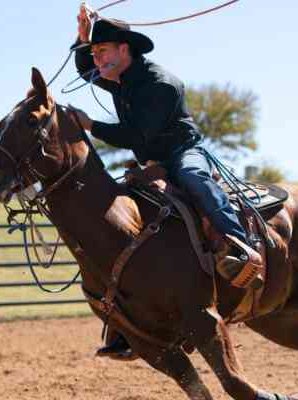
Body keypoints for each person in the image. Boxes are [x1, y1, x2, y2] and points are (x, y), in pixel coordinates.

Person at [70, 6, 263, 358]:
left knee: (194, 177)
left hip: (181, 152)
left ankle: (240, 246)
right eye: (95, 54)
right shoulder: (120, 76)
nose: (97, 60)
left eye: (102, 52)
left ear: (124, 50)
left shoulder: (160, 84)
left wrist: (90, 125)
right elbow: (87, 70)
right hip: (151, 159)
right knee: (122, 221)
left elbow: (136, 134)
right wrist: (84, 40)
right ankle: (129, 326)